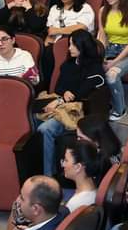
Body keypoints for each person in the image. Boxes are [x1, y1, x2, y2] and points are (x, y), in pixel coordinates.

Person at [37, 29, 104, 176]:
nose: (69, 48)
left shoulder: (94, 67)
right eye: (69, 44)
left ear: (83, 46)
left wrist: (63, 98)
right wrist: (64, 94)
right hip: (60, 105)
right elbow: (59, 88)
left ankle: (48, 175)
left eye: (73, 45)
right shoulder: (68, 64)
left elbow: (83, 91)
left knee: (45, 129)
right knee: (30, 120)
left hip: (74, 111)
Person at [96, 0, 128, 121]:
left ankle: (120, 110)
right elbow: (102, 36)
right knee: (92, 69)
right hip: (108, 49)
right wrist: (101, 57)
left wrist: (114, 62)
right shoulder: (102, 11)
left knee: (111, 75)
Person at [42, 0, 96, 83]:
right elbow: (50, 31)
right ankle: (48, 87)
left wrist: (58, 31)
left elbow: (81, 27)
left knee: (51, 53)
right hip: (55, 43)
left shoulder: (85, 8)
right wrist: (47, 41)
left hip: (76, 45)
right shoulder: (54, 9)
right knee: (44, 52)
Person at [62, 140, 103, 210]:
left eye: (66, 160)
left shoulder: (74, 205)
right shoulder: (94, 189)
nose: (63, 165)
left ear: (78, 167)